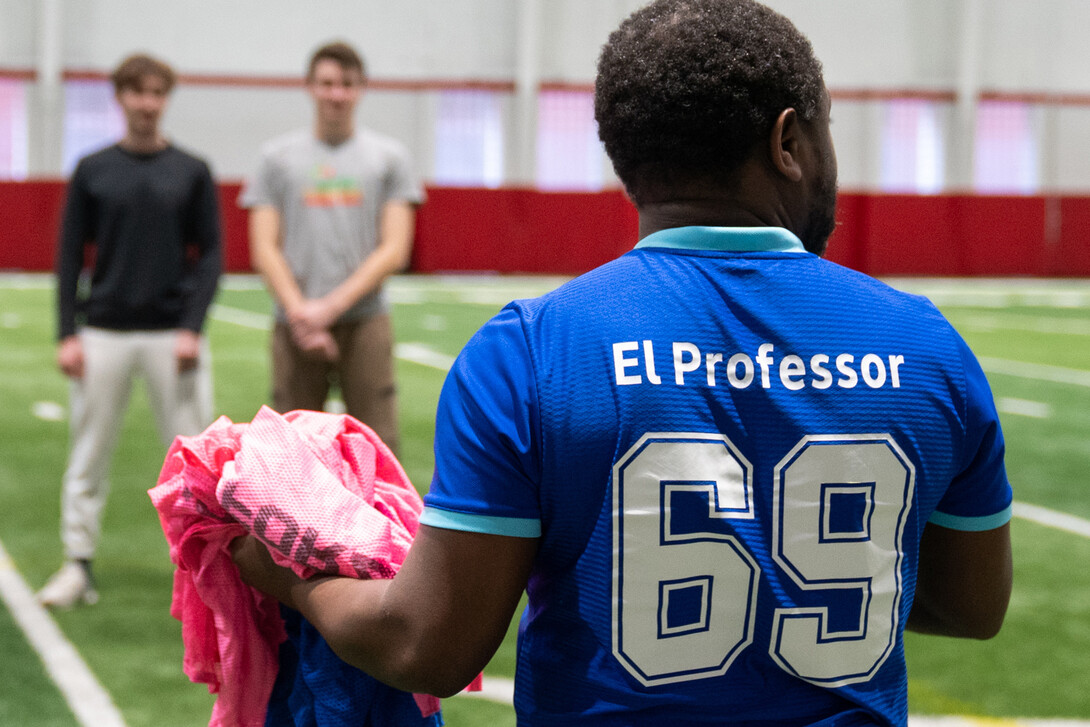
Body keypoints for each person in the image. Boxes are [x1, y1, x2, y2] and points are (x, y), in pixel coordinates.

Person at [233, 1, 1013, 724]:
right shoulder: (926, 345)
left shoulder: (531, 349)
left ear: (626, 157)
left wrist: (293, 581)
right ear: (788, 141)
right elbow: (975, 605)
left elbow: (427, 644)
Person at [40, 53, 222, 609]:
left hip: (174, 338)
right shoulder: (93, 168)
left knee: (195, 463)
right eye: (136, 93)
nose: (146, 103)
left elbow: (212, 254)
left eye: (156, 93)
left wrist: (192, 326)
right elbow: (70, 253)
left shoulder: (192, 170)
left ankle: (207, 575)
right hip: (105, 334)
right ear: (119, 98)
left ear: (166, 99)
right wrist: (67, 332)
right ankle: (77, 565)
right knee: (88, 453)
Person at [239, 41, 423, 454]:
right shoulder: (276, 158)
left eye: (346, 84)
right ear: (309, 87)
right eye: (326, 83)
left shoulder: (389, 158)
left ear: (360, 89)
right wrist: (302, 314)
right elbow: (264, 248)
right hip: (293, 323)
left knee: (377, 448)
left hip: (365, 322)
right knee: (290, 452)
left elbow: (394, 250)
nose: (336, 93)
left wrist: (328, 309)